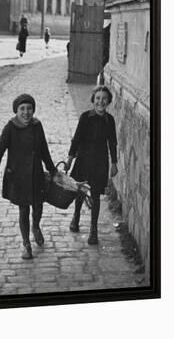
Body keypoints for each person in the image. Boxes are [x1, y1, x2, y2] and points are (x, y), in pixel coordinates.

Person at [0, 94, 56, 259]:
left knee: (38, 206)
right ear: (16, 111)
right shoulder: (10, 127)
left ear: (33, 110)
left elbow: (44, 149)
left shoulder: (37, 125)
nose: (26, 112)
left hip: (36, 174)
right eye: (22, 109)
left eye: (29, 108)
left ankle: (36, 226)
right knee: (24, 209)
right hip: (18, 176)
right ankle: (26, 243)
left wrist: (51, 168)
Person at [64, 86, 118, 245]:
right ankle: (76, 216)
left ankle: (93, 230)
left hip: (100, 162)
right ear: (93, 100)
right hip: (83, 159)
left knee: (95, 195)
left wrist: (114, 163)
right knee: (81, 190)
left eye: (104, 98)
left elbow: (112, 143)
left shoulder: (110, 120)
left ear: (108, 101)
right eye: (98, 98)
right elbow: (76, 139)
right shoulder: (85, 117)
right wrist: (69, 159)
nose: (100, 102)